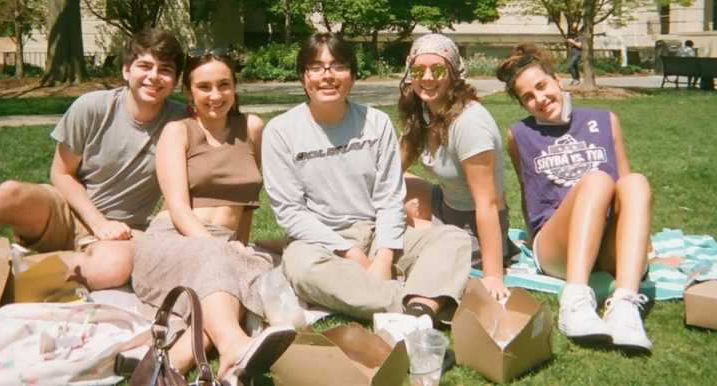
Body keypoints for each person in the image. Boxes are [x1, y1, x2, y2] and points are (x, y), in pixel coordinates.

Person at [0, 28, 186, 300]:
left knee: (114, 268)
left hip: (123, 230)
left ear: (175, 80)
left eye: (165, 69)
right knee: (10, 192)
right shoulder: (92, 107)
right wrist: (97, 223)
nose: (154, 77)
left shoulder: (182, 122)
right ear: (126, 70)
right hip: (69, 211)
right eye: (144, 66)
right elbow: (61, 173)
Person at [262, 33, 472, 324]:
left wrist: (384, 258)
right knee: (300, 266)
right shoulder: (280, 131)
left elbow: (389, 197)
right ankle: (417, 307)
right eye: (316, 67)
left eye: (338, 66)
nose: (327, 76)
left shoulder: (376, 122)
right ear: (303, 77)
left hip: (377, 234)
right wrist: (352, 255)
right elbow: (290, 213)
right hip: (321, 244)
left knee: (454, 239)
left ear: (352, 75)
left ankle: (395, 301)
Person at [131, 49, 295, 384]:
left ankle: (171, 371)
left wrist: (239, 249)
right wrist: (224, 251)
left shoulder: (251, 128)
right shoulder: (178, 131)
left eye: (224, 85)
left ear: (235, 87)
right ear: (189, 92)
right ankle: (235, 346)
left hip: (221, 246)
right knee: (223, 280)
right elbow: (178, 208)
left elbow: (249, 201)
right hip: (174, 240)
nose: (216, 95)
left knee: (221, 300)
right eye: (204, 87)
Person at [495, 44, 653, 352]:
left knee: (635, 182)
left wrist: (648, 246)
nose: (539, 99)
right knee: (595, 180)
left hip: (605, 242)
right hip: (557, 246)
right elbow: (530, 194)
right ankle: (575, 300)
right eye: (528, 96)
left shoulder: (605, 119)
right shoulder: (519, 134)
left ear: (558, 80)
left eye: (542, 86)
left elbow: (624, 186)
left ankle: (625, 306)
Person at [397, 34, 515, 302]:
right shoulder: (423, 112)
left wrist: (493, 275)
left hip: (475, 224)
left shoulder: (469, 123)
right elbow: (391, 170)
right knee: (392, 190)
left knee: (403, 240)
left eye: (437, 69)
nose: (427, 77)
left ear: (452, 73)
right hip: (445, 205)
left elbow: (487, 203)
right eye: (418, 70)